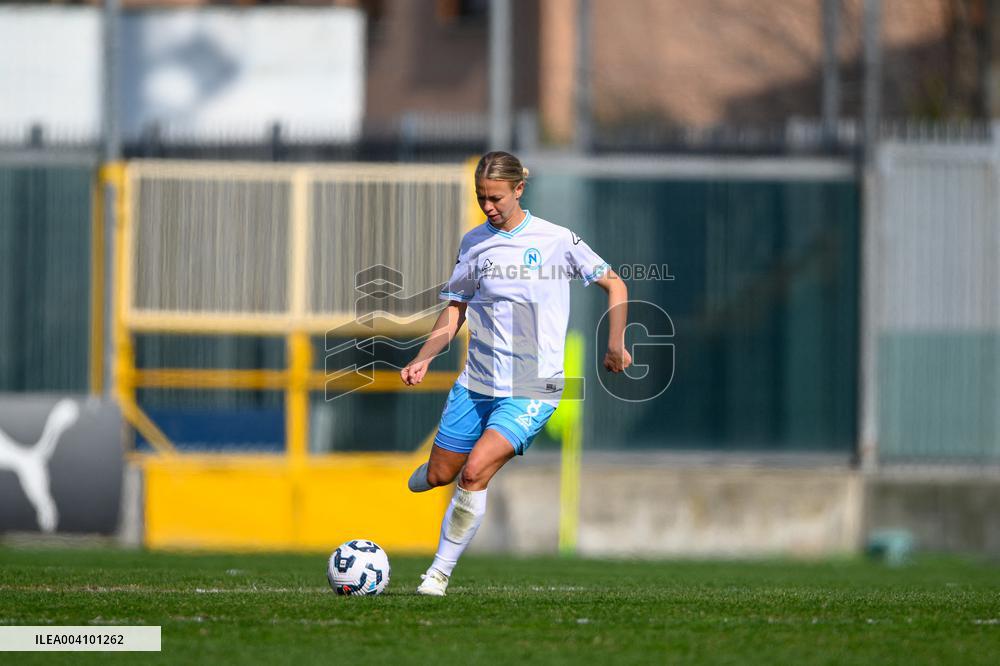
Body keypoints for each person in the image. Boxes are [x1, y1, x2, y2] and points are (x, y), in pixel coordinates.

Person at [399, 151, 631, 596]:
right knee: (441, 476)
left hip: (534, 385)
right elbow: (455, 310)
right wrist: (424, 356)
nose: (488, 206)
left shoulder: (556, 239)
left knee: (475, 472)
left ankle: (438, 573)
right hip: (478, 381)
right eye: (481, 197)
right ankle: (431, 473)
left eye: (496, 198)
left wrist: (615, 343)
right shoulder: (473, 244)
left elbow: (615, 283)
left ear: (519, 189)